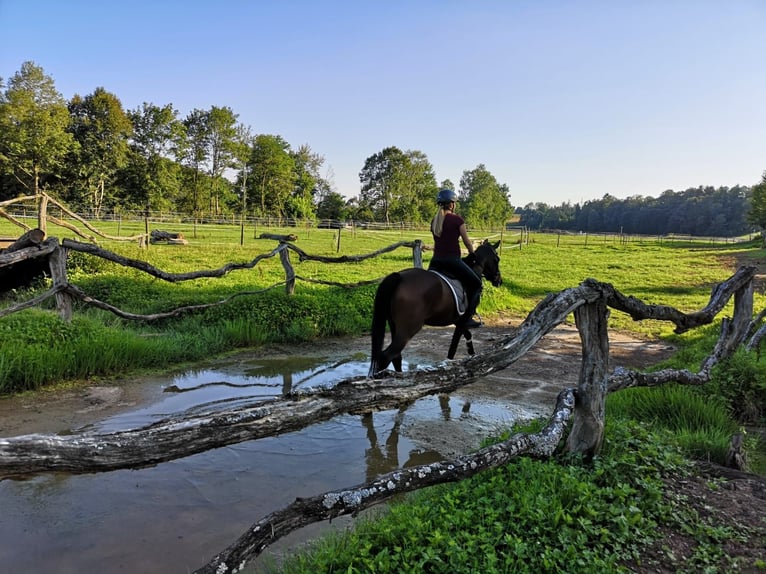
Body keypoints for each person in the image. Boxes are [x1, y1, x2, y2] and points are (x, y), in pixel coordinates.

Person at [428, 188, 483, 329]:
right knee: (476, 284)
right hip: (452, 261)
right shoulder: (457, 220)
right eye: (454, 202)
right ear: (452, 204)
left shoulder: (435, 221)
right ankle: (467, 317)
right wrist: (472, 253)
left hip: (435, 262)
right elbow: (466, 241)